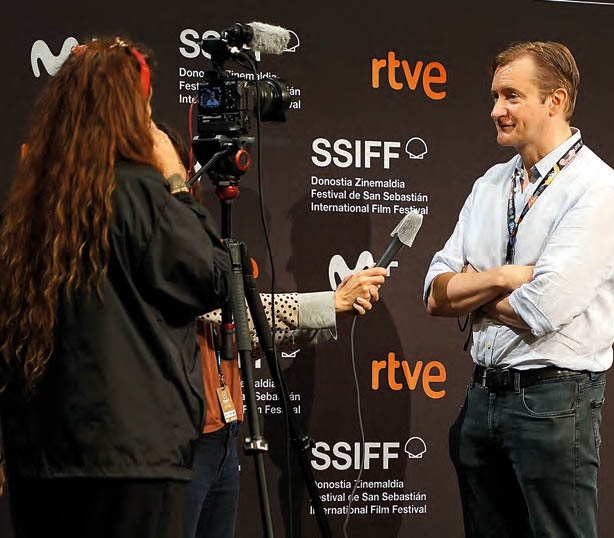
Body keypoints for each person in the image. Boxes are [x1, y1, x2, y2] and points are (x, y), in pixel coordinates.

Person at [0, 37, 230, 538]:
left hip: (40, 460)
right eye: (145, 107)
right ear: (128, 114)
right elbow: (214, 277)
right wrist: (176, 182)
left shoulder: (29, 206)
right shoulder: (141, 193)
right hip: (134, 459)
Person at [423, 41, 614, 537]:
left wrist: (473, 290)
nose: (496, 110)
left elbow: (543, 307)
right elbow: (434, 293)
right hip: (481, 398)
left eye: (511, 96)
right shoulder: (490, 184)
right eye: (495, 97)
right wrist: (504, 277)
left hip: (554, 402)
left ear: (555, 101)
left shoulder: (594, 188)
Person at [154, 125, 389, 538]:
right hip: (177, 441)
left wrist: (333, 311)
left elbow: (245, 329)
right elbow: (231, 309)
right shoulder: (150, 245)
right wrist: (330, 304)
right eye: (174, 176)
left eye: (186, 174)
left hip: (222, 435)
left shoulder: (200, 246)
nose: (187, 184)